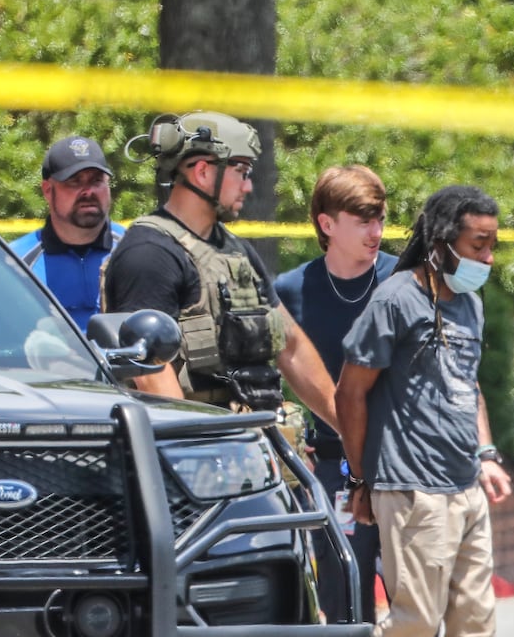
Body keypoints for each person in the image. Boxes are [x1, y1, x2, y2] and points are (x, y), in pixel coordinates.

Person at [333, 184, 514, 637]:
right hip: (410, 487)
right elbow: (350, 392)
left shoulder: (468, 303)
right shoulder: (395, 300)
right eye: (478, 243)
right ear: (442, 244)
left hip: (464, 486)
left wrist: (486, 455)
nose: (489, 257)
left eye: (493, 243)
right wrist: (361, 478)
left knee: (475, 625)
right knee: (417, 617)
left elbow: (468, 389)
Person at [273, 165, 438, 637]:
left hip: (400, 467)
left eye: (380, 216)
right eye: (363, 218)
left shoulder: (405, 280)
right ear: (326, 224)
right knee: (341, 609)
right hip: (325, 468)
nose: (377, 229)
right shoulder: (291, 292)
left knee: (412, 604)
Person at [101, 111, 338, 430]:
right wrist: (203, 450)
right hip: (195, 452)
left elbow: (291, 346)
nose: (248, 186)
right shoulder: (148, 254)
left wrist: (351, 438)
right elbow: (150, 374)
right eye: (240, 171)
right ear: (202, 172)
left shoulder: (236, 252)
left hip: (254, 443)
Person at [9, 136, 126, 333]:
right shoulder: (17, 263)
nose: (88, 191)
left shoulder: (134, 249)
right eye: (74, 181)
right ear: (47, 190)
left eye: (97, 180)